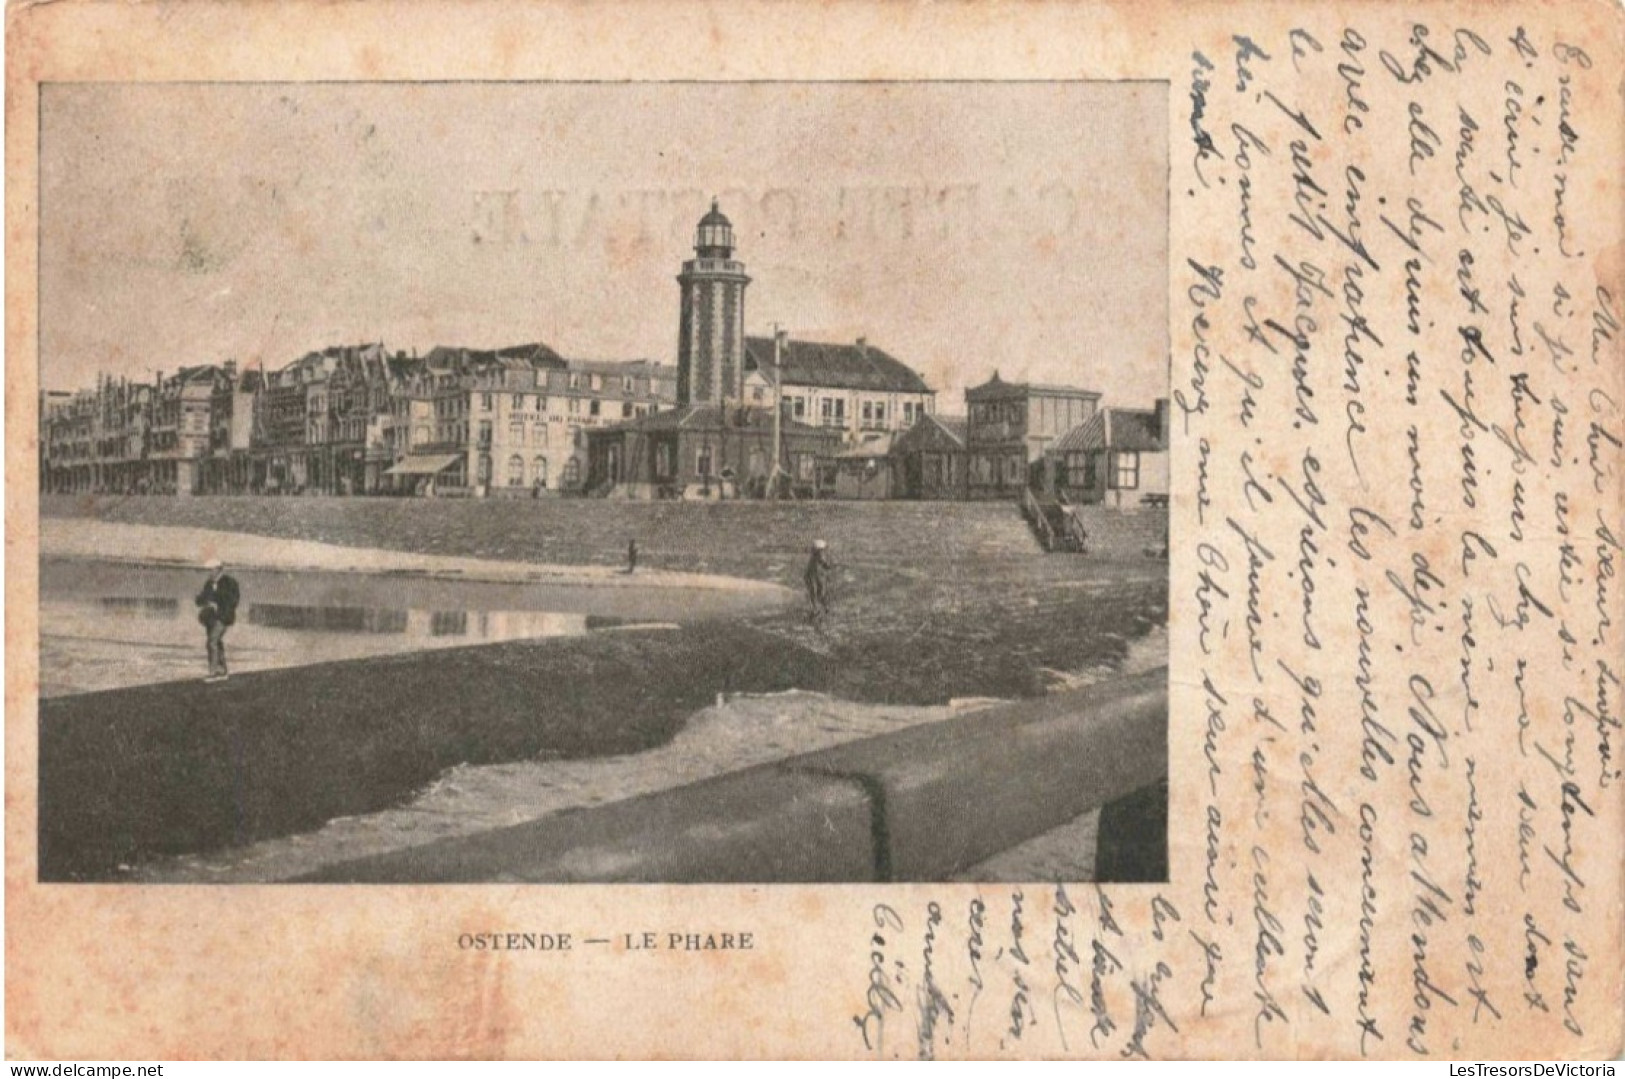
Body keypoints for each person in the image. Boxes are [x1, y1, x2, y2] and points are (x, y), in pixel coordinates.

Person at [195, 559, 241, 683]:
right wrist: (204, 601)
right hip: (211, 619)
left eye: (211, 570)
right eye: (208, 570)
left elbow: (233, 601)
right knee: (216, 642)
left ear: (218, 569)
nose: (209, 572)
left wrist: (217, 604)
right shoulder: (209, 584)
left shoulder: (229, 582)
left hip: (223, 617)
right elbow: (200, 600)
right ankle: (222, 671)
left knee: (212, 642)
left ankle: (213, 672)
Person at [804, 540, 834, 619]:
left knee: (818, 593)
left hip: (817, 576)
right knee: (815, 592)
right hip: (812, 577)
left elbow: (825, 565)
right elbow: (825, 565)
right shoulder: (817, 557)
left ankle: (822, 607)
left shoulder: (817, 557)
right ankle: (817, 608)